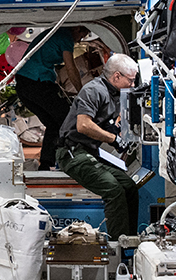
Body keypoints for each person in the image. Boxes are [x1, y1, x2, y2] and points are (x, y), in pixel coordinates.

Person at [55, 54, 140, 239]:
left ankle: (131, 241)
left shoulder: (115, 94)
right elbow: (83, 125)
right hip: (72, 153)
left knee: (129, 187)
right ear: (116, 76)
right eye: (131, 80)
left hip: (89, 151)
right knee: (114, 190)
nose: (133, 85)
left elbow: (105, 122)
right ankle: (119, 245)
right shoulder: (94, 90)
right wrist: (113, 139)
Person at [14, 25, 90, 170]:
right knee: (67, 119)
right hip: (36, 82)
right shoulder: (65, 36)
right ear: (77, 29)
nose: (79, 41)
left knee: (53, 123)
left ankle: (46, 163)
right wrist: (82, 92)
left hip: (24, 85)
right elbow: (70, 67)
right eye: (82, 36)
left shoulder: (55, 33)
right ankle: (71, 161)